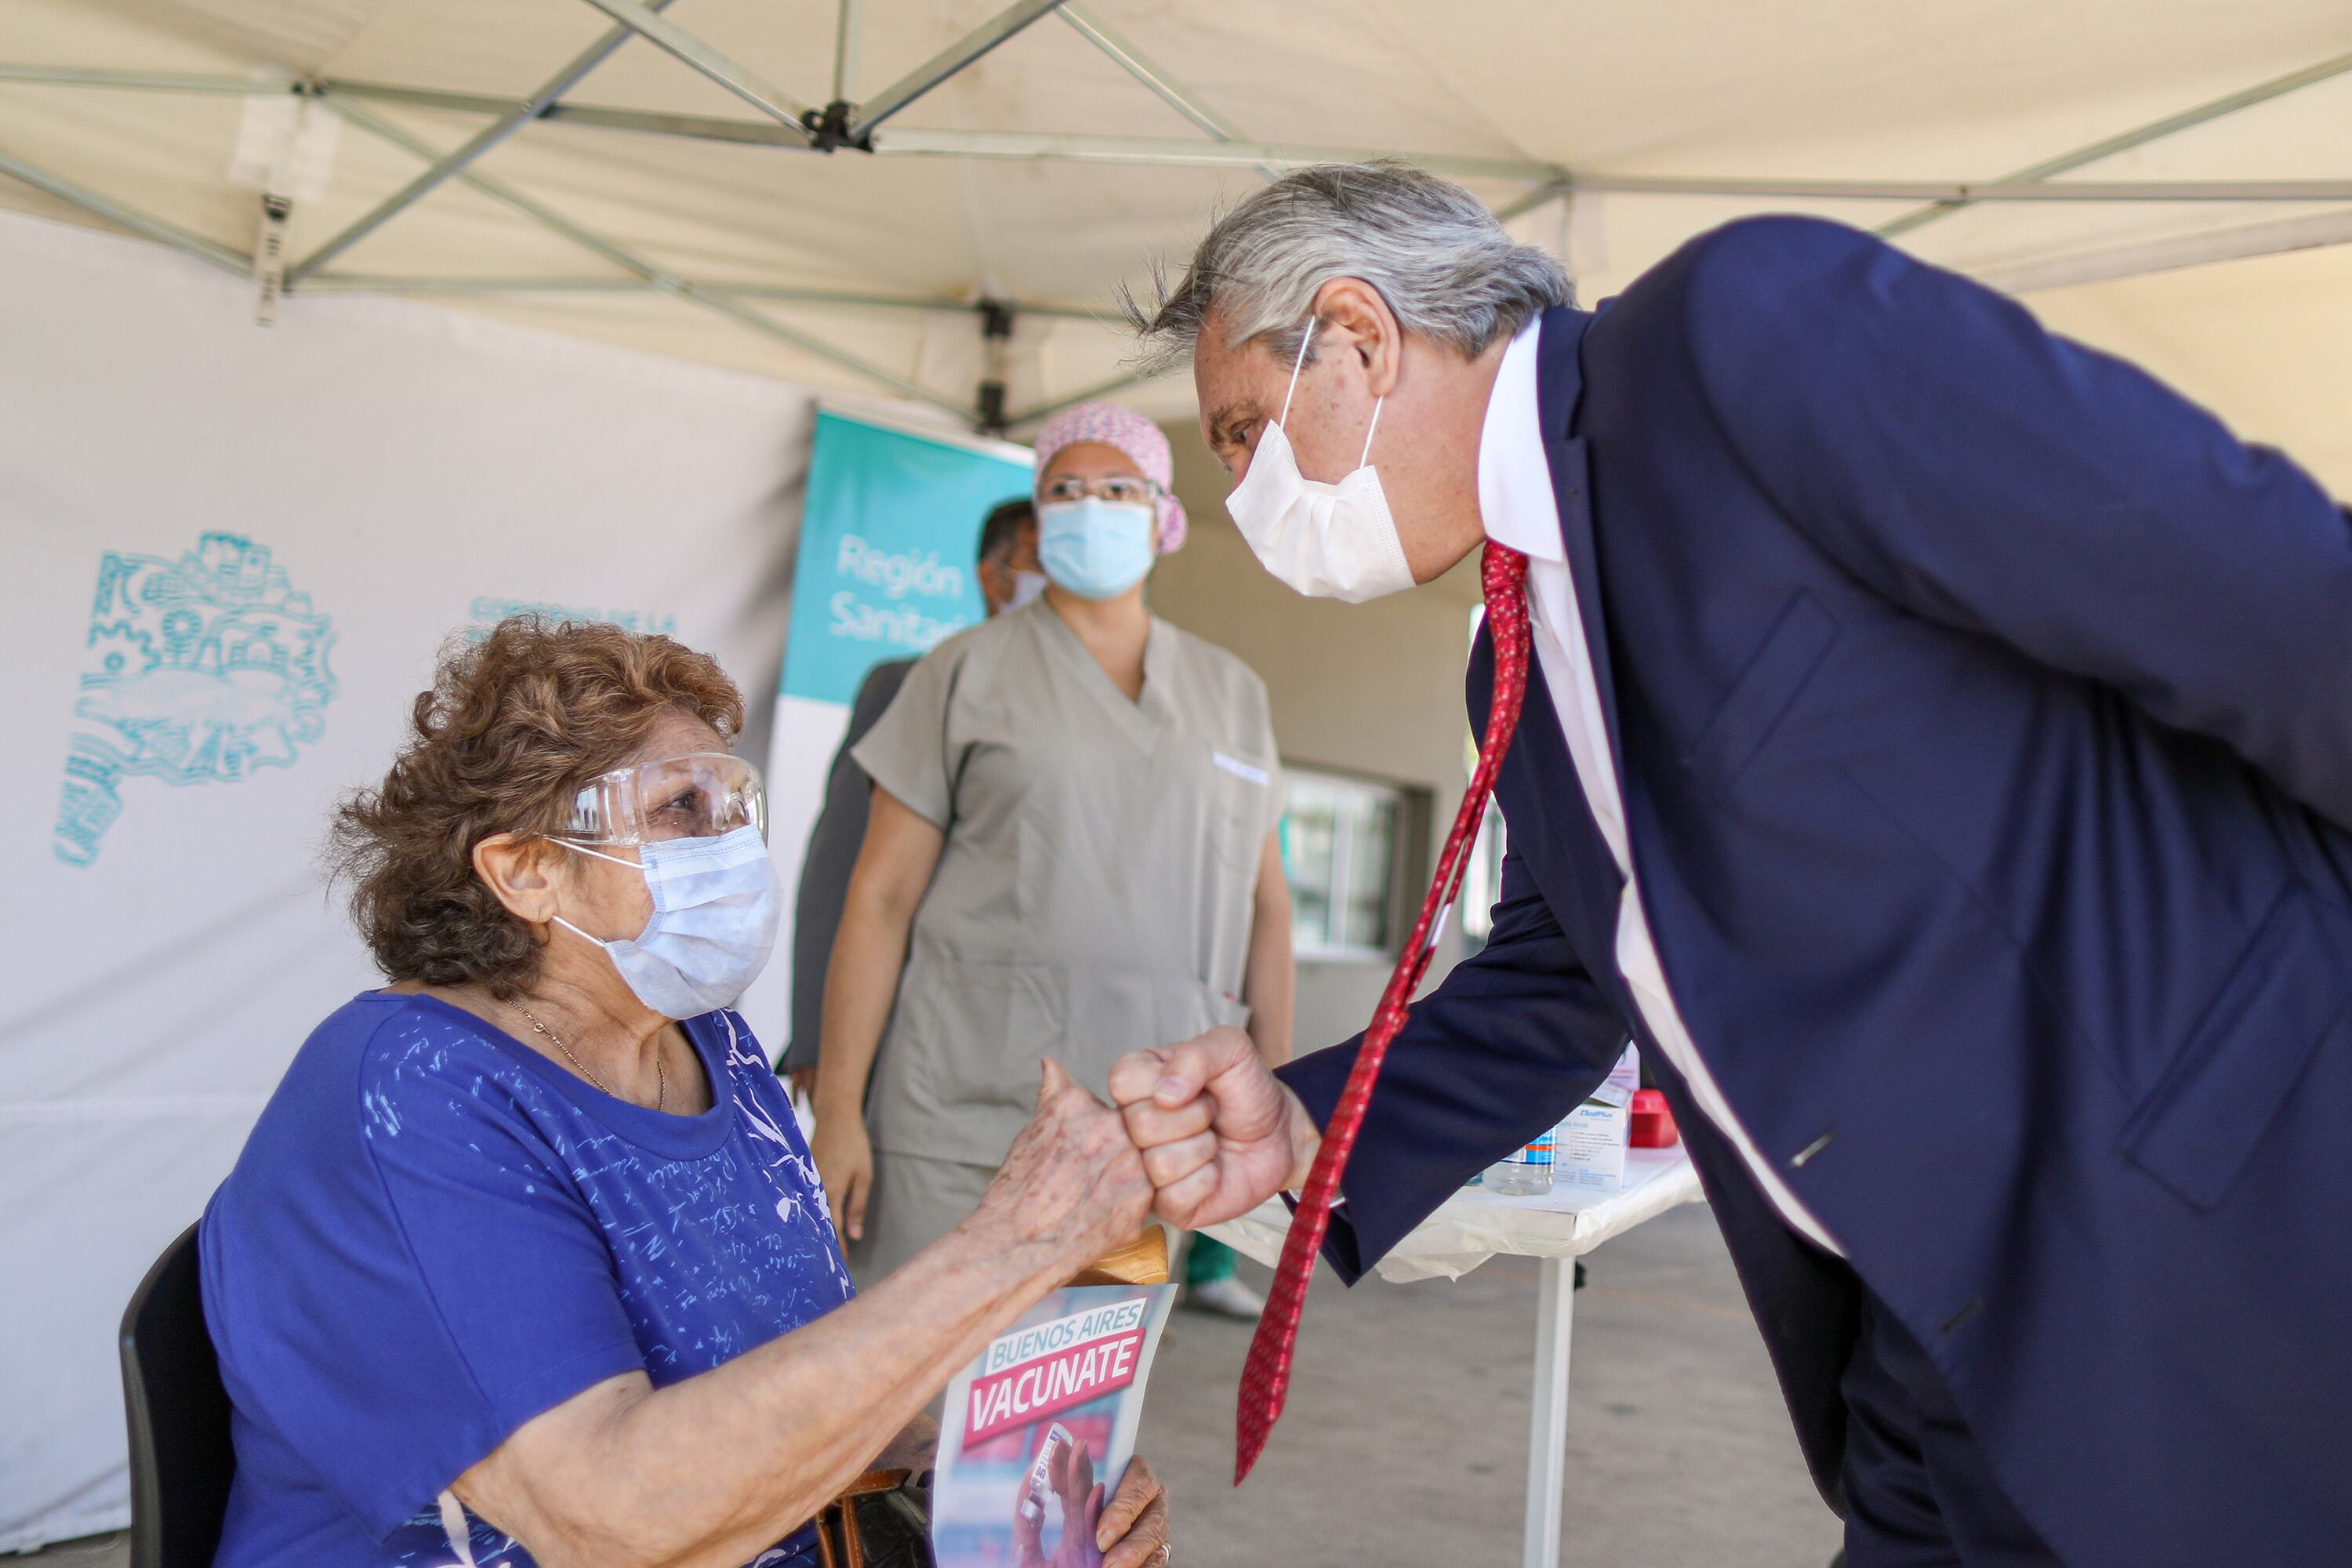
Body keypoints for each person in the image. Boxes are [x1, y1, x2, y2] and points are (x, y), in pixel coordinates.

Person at [1109, 162, 2352, 1567]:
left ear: (1359, 336)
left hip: (2207, 1264)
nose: (1242, 490)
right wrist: (1301, 1127)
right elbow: (1555, 989)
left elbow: (2274, 602)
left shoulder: (1743, 344)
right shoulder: (1511, 660)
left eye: (1242, 432)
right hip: (1923, 1372)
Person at [199, 617, 1171, 1568]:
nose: (731, 844)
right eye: (679, 809)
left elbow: (800, 1378)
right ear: (526, 871)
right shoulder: (411, 1093)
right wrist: (1007, 1246)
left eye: (734, 804)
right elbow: (607, 1524)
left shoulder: (711, 1045)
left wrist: (1005, 1480)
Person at [811, 401, 1295, 1308]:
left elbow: (1268, 908)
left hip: (1153, 1137)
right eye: (1065, 490)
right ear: (1037, 519)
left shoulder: (1234, 695)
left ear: (1162, 517)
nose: (1089, 507)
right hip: (962, 1122)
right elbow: (877, 899)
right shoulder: (961, 671)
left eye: (1118, 489)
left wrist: (1277, 1095)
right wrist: (838, 1109)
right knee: (924, 1374)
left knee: (1090, 1378)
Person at [780, 497, 1043, 1097]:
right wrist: (819, 1040)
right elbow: (839, 868)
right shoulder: (910, 685)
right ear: (992, 578)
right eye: (1041, 557)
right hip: (908, 1041)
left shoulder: (1097, 716)